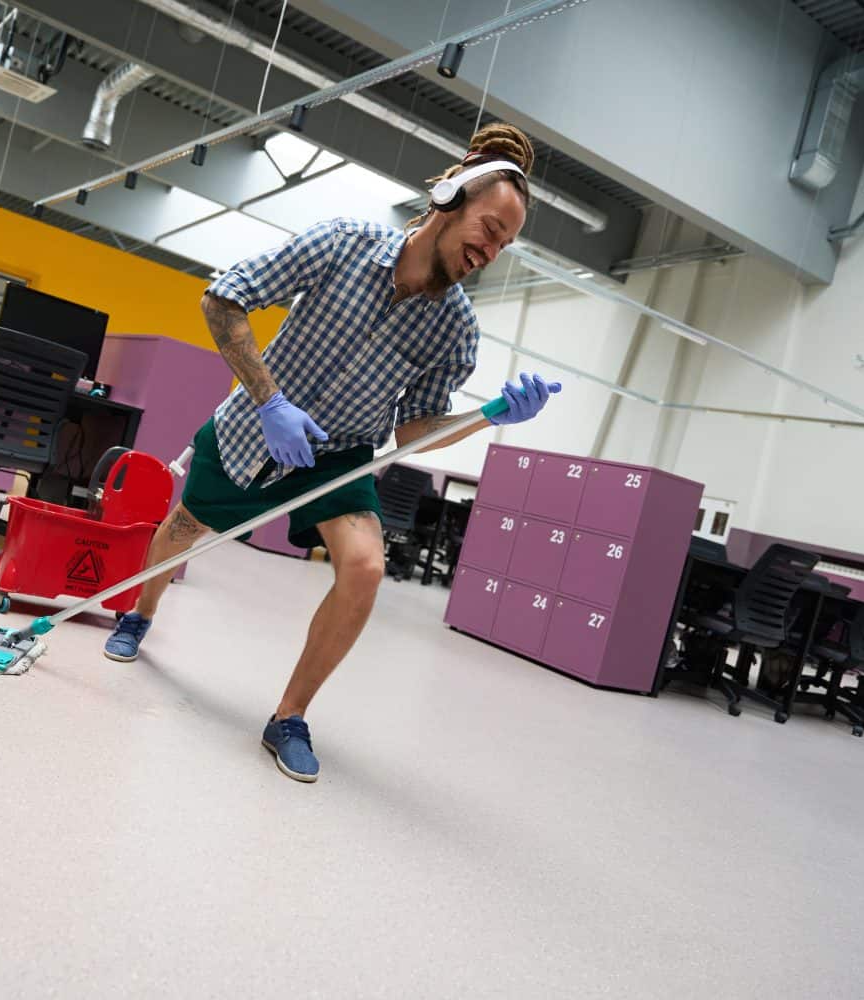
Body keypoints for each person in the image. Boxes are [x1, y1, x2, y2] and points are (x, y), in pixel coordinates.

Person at [103, 122, 562, 782]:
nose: (491, 250)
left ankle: (289, 715)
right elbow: (223, 297)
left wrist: (488, 418)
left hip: (343, 451)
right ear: (450, 200)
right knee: (184, 527)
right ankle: (138, 615)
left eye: (506, 243)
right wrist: (268, 400)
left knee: (366, 568)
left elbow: (412, 435)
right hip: (255, 424)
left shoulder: (456, 329)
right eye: (489, 228)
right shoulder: (343, 242)